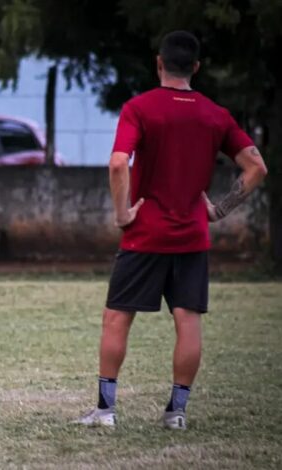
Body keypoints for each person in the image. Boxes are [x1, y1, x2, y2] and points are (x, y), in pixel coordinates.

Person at [77, 31, 267, 429]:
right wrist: (219, 210)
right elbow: (256, 168)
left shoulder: (140, 108)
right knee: (188, 320)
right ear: (196, 67)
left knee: (117, 317)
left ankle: (106, 411)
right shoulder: (216, 114)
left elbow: (117, 163)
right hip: (192, 237)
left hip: (144, 234)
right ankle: (176, 413)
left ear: (159, 63)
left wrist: (122, 213)